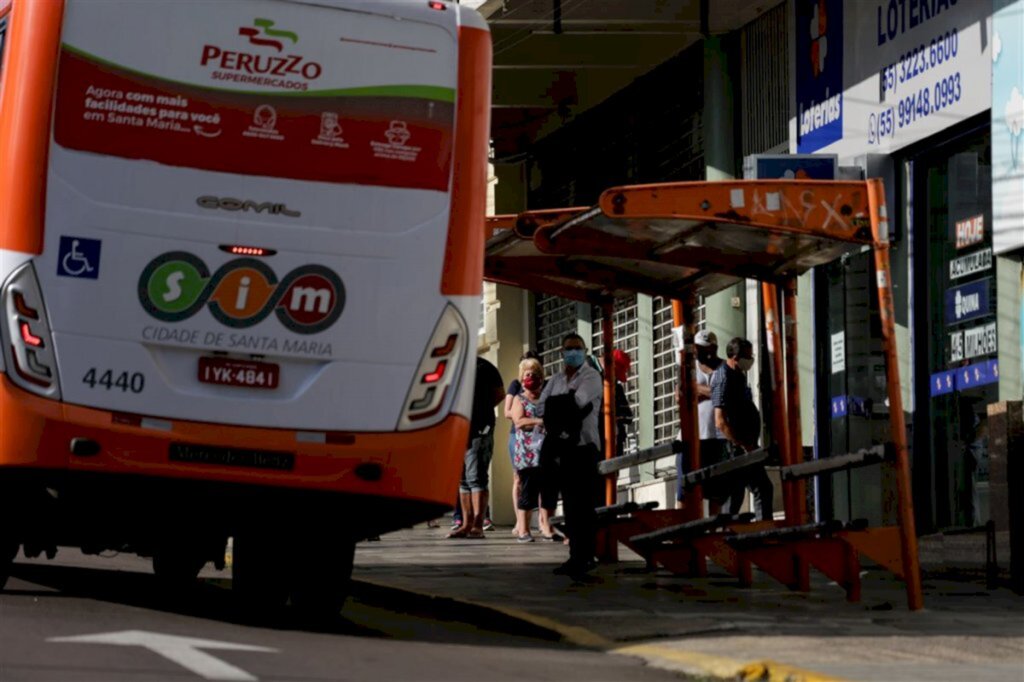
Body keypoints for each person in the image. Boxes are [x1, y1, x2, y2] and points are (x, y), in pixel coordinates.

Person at [539, 333, 603, 579]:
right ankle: (575, 555)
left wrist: (560, 409)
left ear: (584, 351)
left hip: (584, 447)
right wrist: (561, 409)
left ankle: (586, 556)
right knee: (570, 503)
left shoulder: (591, 376)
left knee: (584, 505)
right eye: (568, 349)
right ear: (562, 352)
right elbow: (542, 407)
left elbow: (578, 402)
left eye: (577, 348)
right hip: (562, 448)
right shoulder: (555, 380)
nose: (573, 352)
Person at [675, 330, 740, 511]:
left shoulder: (723, 368)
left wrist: (698, 390)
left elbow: (728, 394)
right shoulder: (688, 367)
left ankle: (713, 530)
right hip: (690, 437)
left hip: (717, 437)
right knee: (684, 490)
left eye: (704, 349)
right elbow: (681, 394)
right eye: (697, 348)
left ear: (714, 348)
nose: (699, 352)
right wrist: (712, 391)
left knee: (716, 492)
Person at [711, 337, 774, 521]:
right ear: (735, 357)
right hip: (737, 449)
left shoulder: (737, 376)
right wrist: (741, 444)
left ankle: (757, 531)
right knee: (749, 491)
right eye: (747, 356)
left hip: (746, 445)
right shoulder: (723, 378)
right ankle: (731, 534)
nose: (751, 360)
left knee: (749, 490)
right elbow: (720, 421)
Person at [449, 356, 504, 539]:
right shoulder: (449, 365)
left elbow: (499, 394)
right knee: (463, 479)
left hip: (479, 429)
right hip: (456, 430)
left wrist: (480, 412)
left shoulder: (485, 367)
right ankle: (466, 524)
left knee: (477, 477)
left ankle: (478, 525)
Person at [509, 358, 561, 542]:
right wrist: (540, 421)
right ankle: (523, 530)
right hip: (527, 454)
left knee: (549, 491)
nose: (531, 377)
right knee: (528, 491)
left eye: (535, 374)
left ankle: (548, 528)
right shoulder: (519, 399)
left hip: (548, 452)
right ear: (522, 378)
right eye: (527, 374)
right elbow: (519, 421)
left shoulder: (548, 398)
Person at [504, 351, 540, 537]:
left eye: (535, 371)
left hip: (540, 440)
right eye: (527, 370)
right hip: (519, 437)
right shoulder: (516, 386)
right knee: (519, 479)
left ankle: (543, 523)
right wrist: (530, 416)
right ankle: (520, 523)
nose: (531, 375)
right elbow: (508, 412)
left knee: (541, 480)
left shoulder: (544, 388)